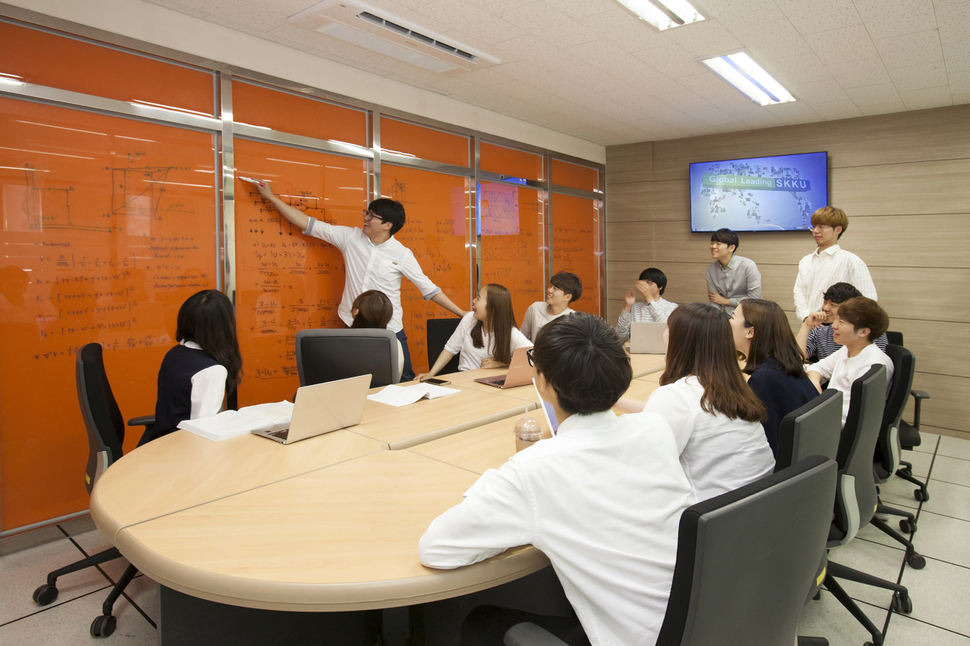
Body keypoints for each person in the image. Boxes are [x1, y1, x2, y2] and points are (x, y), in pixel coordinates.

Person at [419, 313, 693, 646]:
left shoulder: (535, 470)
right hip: (693, 620)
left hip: (635, 637)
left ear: (545, 382)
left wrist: (500, 480)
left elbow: (435, 549)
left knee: (483, 621)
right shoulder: (655, 429)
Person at [254, 180, 466, 382]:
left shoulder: (402, 254)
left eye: (373, 216)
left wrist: (461, 314)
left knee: (403, 379)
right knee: (355, 379)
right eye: (367, 212)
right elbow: (309, 224)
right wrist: (271, 197)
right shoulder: (350, 238)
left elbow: (429, 289)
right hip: (353, 324)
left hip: (390, 328)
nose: (366, 218)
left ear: (387, 225)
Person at [618, 302, 774, 502]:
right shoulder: (732, 388)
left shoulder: (677, 396)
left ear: (680, 341)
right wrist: (620, 402)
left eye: (668, 329)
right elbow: (687, 414)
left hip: (708, 519)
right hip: (752, 511)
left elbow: (642, 465)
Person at [143, 289, 242, 444]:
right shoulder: (211, 371)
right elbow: (203, 433)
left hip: (162, 441)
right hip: (184, 452)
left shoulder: (175, 353)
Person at [730, 299, 819, 458]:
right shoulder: (782, 364)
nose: (727, 323)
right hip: (810, 460)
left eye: (732, 317)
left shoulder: (765, 379)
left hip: (785, 470)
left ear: (750, 332)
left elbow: (761, 445)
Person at [807, 297, 894, 427]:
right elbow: (817, 368)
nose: (833, 326)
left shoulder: (872, 365)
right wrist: (816, 386)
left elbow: (847, 418)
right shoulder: (849, 349)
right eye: (836, 319)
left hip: (834, 428)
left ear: (864, 332)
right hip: (828, 414)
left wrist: (819, 399)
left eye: (841, 322)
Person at [418, 283, 531, 379]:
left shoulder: (510, 333)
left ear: (492, 309)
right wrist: (431, 373)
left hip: (489, 385)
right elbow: (450, 349)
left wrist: (504, 363)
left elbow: (535, 358)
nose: (473, 301)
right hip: (463, 380)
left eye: (478, 298)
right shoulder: (469, 319)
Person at [793, 206, 877, 322]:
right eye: (814, 227)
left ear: (838, 230)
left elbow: (868, 301)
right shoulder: (805, 261)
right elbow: (799, 293)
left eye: (821, 227)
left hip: (838, 328)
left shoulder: (851, 261)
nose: (816, 231)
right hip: (809, 324)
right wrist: (806, 317)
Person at [796, 282, 889, 362]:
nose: (825, 308)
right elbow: (796, 357)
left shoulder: (868, 332)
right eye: (825, 302)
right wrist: (806, 325)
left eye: (833, 305)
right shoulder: (820, 330)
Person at [350, 289, 403, 381]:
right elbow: (396, 376)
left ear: (356, 312)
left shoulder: (339, 343)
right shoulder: (394, 344)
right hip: (383, 393)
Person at [706, 228, 761, 316]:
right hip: (726, 319)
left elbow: (755, 300)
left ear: (731, 248)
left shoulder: (748, 265)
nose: (713, 246)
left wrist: (725, 301)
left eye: (718, 244)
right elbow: (714, 301)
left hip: (750, 316)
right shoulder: (711, 270)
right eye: (712, 243)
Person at [519, 271, 582, 342]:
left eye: (555, 289)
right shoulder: (535, 308)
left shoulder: (573, 320)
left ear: (567, 297)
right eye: (550, 286)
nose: (549, 290)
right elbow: (522, 337)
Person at [615, 267, 677, 339]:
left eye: (649, 283)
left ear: (660, 287)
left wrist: (650, 300)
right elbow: (620, 334)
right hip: (636, 348)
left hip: (660, 349)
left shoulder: (671, 306)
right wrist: (628, 306)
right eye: (643, 283)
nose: (645, 286)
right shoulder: (635, 307)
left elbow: (667, 330)